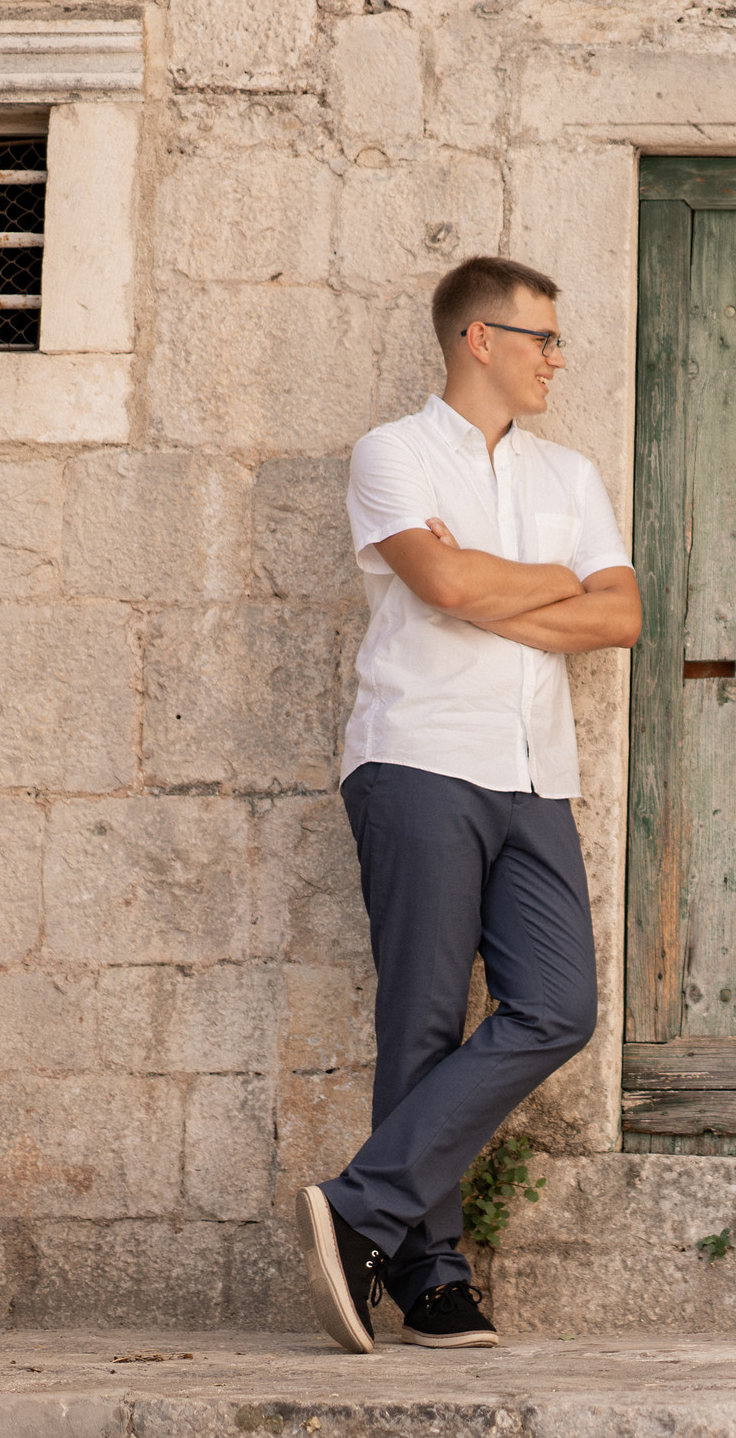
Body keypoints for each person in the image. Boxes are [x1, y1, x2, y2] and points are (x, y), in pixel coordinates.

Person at [294, 255, 642, 1353]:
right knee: (425, 1018)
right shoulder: (392, 455)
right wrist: (544, 583)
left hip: (536, 770)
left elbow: (621, 614)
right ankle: (432, 1276)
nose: (557, 357)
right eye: (540, 338)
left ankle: (359, 1206)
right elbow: (440, 589)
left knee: (558, 1006)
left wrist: (492, 580)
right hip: (418, 757)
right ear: (476, 339)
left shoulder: (569, 475)